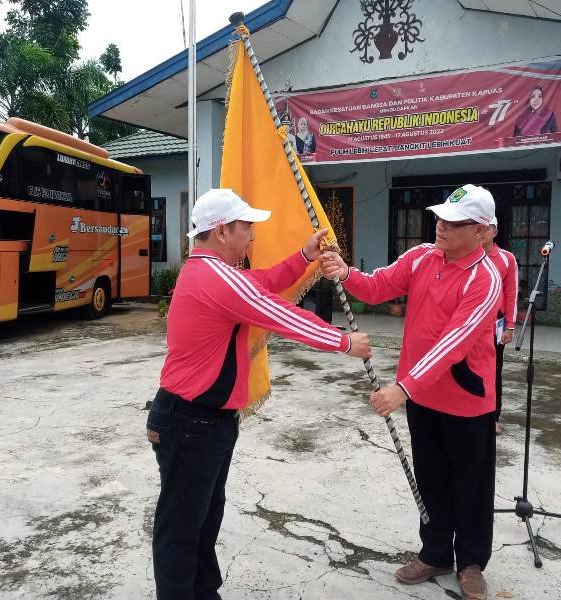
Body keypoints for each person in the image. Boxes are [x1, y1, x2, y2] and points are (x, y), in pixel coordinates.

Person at [147, 188, 372, 600]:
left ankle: (203, 593)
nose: (251, 236)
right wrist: (342, 342)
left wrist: (302, 257)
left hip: (203, 421)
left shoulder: (212, 272)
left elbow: (263, 284)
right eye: (246, 228)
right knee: (181, 528)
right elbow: (278, 313)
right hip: (190, 422)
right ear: (221, 231)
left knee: (202, 520)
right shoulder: (216, 278)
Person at [320, 184, 501, 600]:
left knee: (471, 485)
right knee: (431, 478)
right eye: (441, 218)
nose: (441, 226)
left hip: (466, 400)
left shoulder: (485, 277)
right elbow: (378, 286)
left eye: (454, 222)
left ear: (480, 231)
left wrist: (403, 387)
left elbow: (454, 342)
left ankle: (471, 562)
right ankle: (435, 553)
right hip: (422, 396)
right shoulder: (421, 257)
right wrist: (345, 273)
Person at [482, 216, 518, 434]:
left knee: (493, 372)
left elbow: (511, 292)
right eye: (478, 228)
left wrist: (510, 326)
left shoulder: (506, 259)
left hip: (495, 326)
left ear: (494, 232)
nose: (481, 232)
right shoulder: (465, 255)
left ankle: (493, 417)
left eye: (486, 228)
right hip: (469, 326)